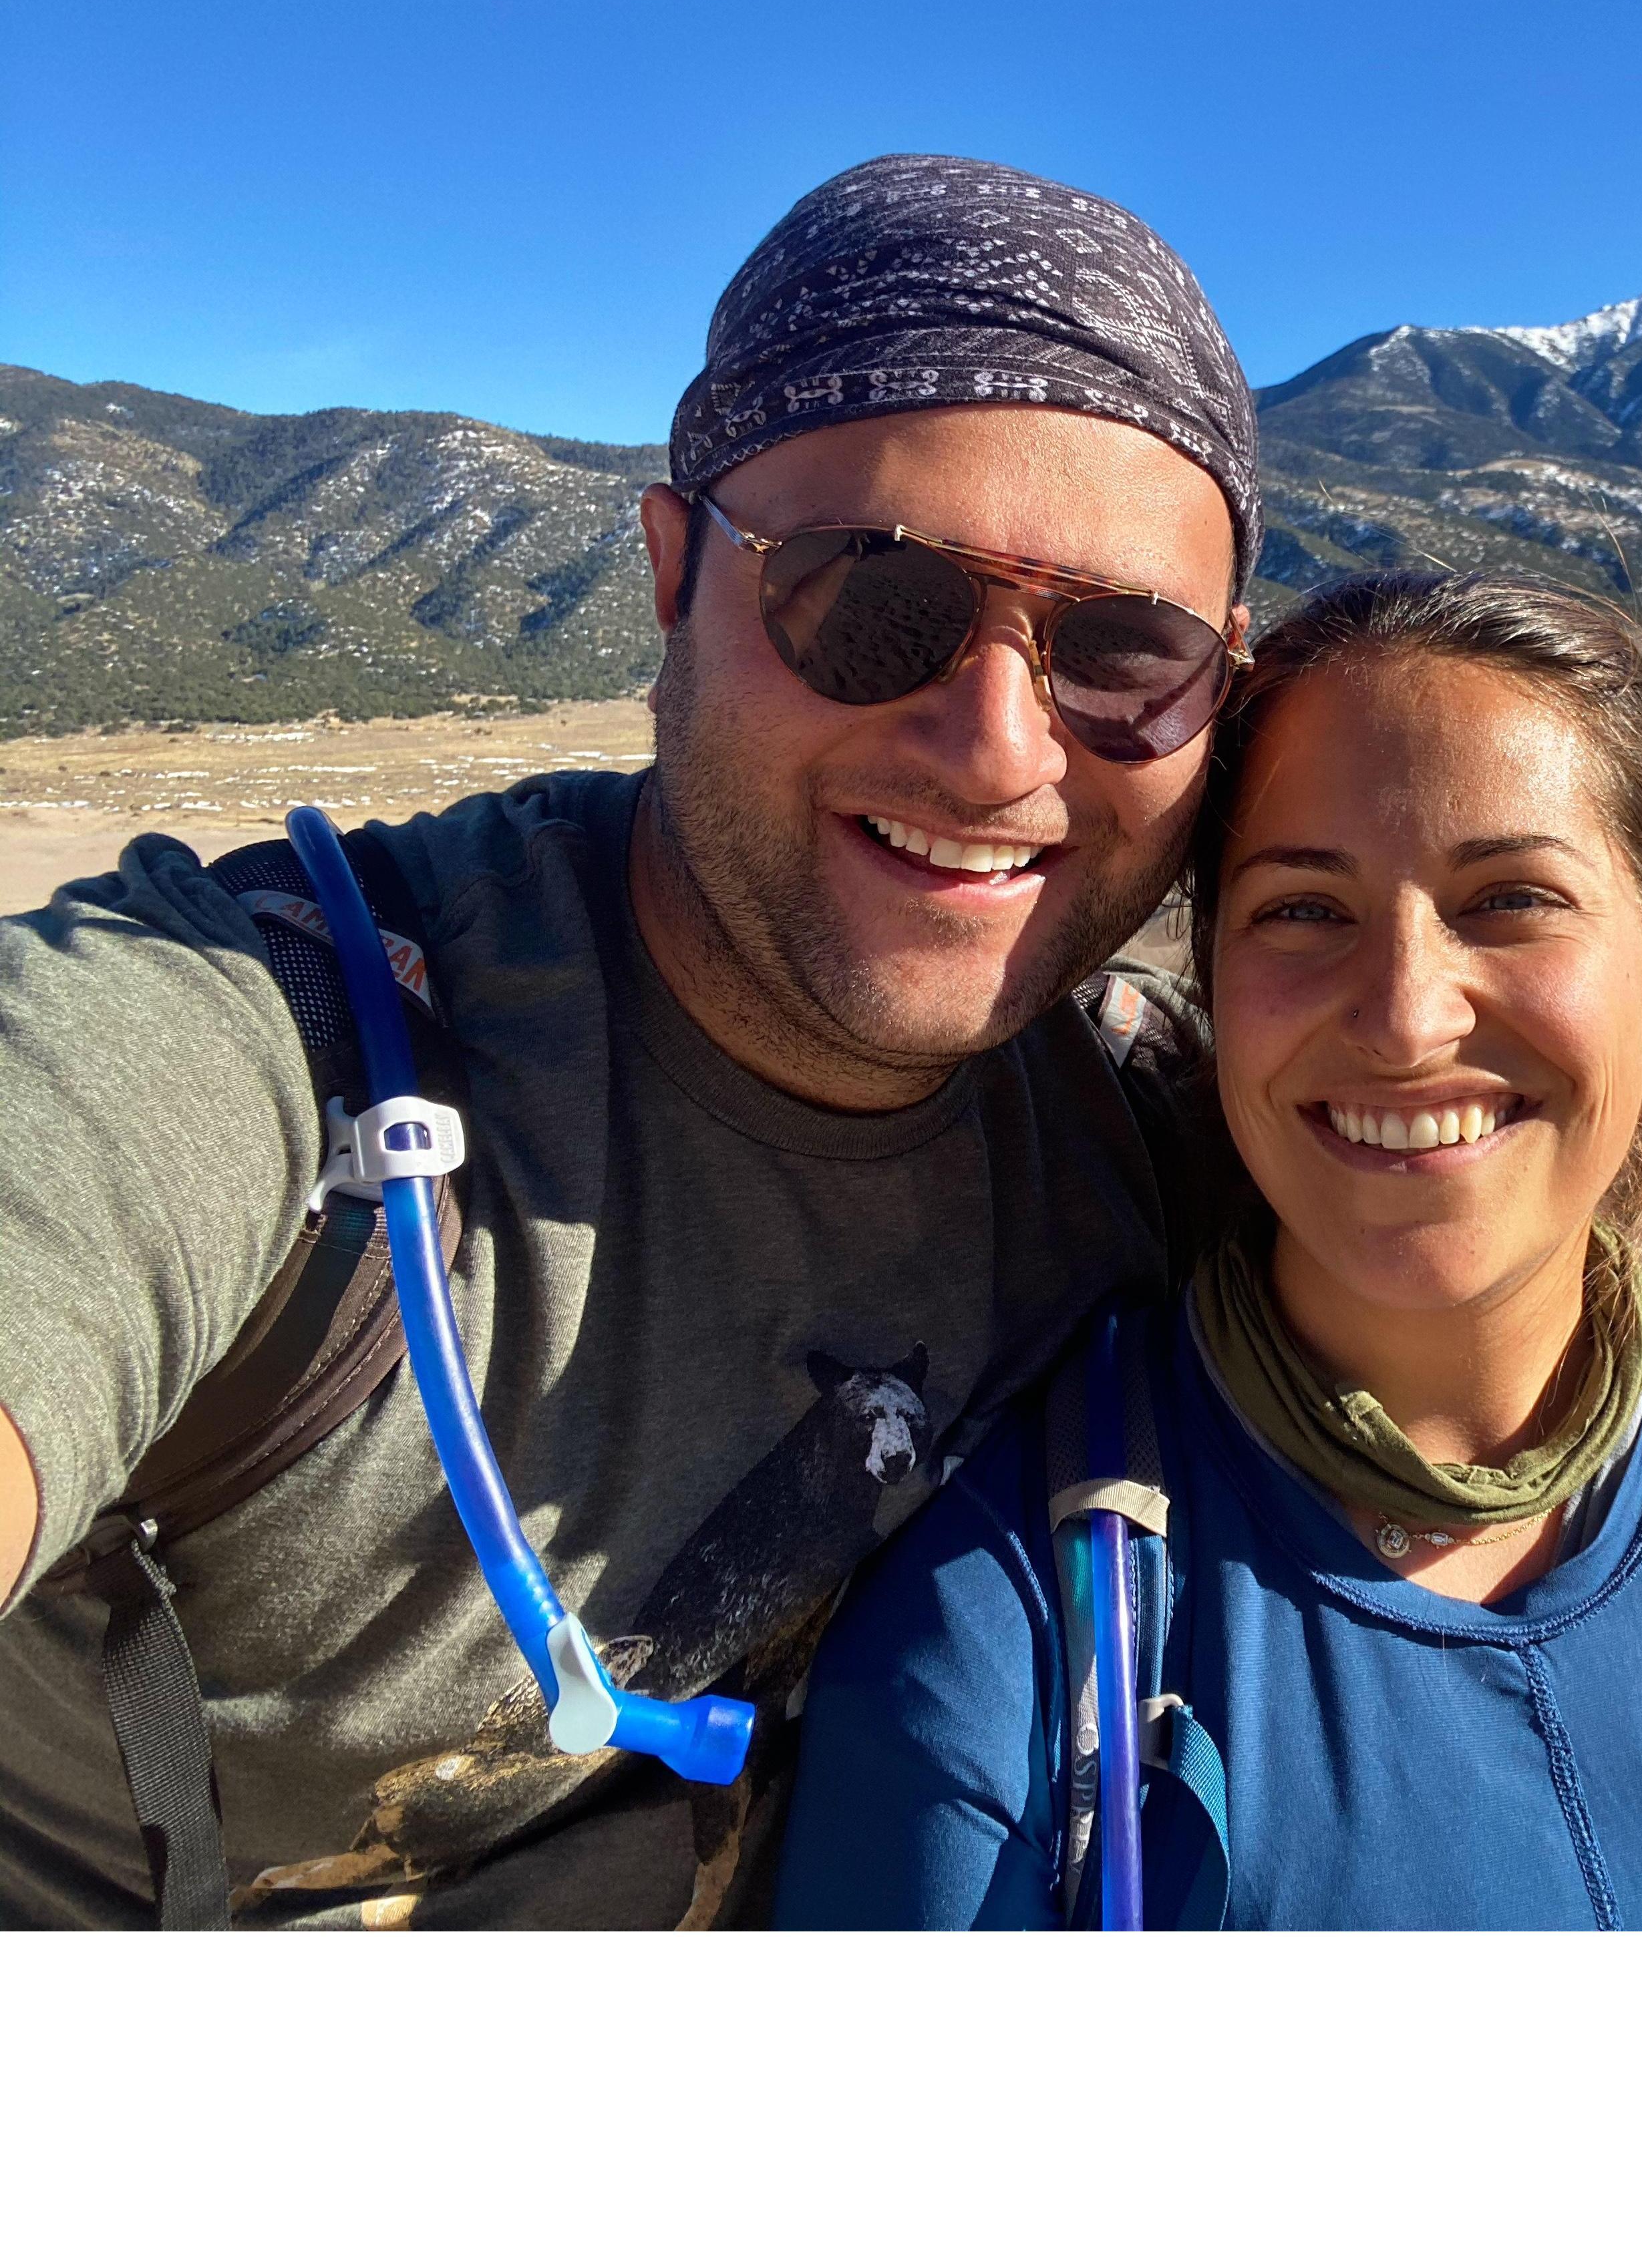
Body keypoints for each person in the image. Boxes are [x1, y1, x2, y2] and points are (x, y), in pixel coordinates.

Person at [0, 154, 1259, 1928]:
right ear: (674, 574)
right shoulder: (284, 1046)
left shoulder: (1175, 1132)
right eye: (873, 599)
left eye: (1125, 650)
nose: (996, 748)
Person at [776, 571, 1642, 1929]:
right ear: (1214, 982)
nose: (1400, 1017)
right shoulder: (1012, 1634)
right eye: (1304, 911)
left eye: (1509, 900)